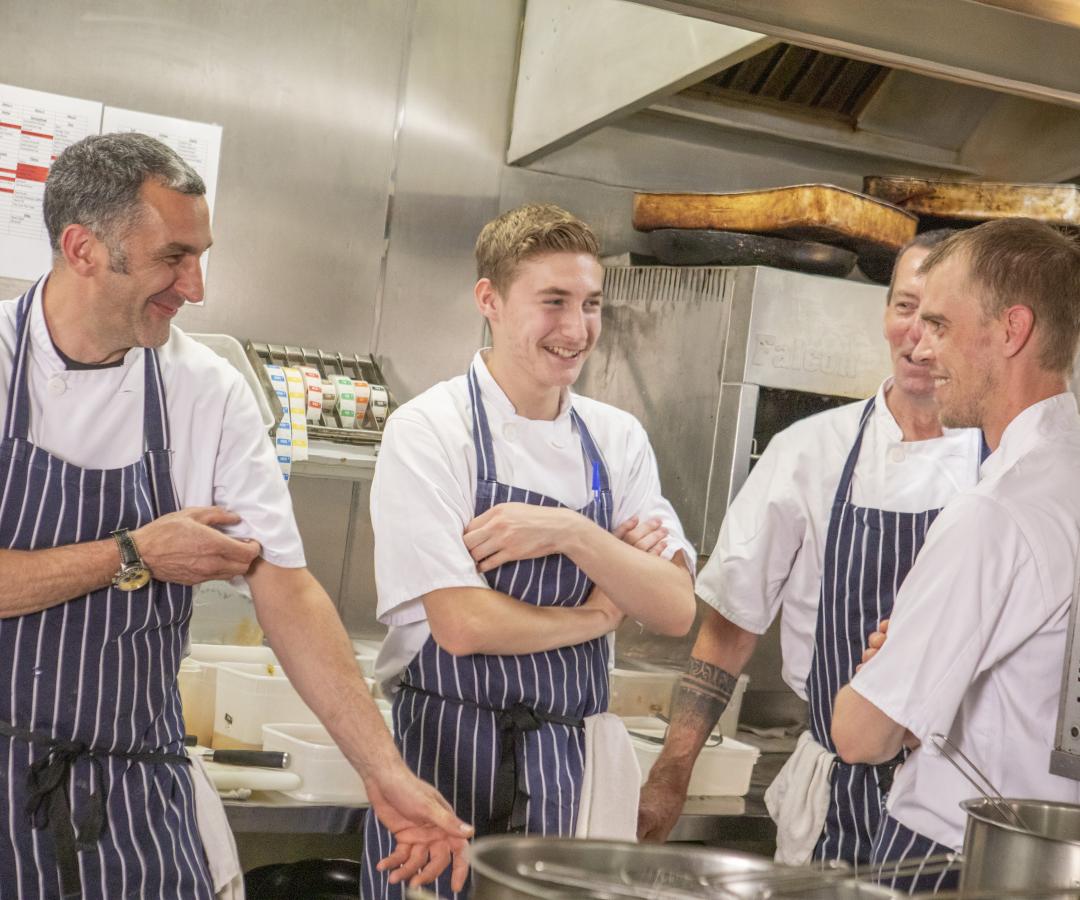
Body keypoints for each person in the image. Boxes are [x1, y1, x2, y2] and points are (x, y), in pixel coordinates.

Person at [0, 132, 471, 900]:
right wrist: (133, 553)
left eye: (201, 255)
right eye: (172, 258)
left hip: (131, 791)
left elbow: (284, 588)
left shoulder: (204, 390)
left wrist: (383, 772)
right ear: (82, 248)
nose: (197, 287)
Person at [362, 203, 697, 898]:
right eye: (553, 302)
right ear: (489, 299)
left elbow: (672, 607)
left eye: (591, 304)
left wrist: (571, 534)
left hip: (563, 768)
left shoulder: (617, 438)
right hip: (442, 761)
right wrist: (600, 612)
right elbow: (463, 626)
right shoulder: (429, 429)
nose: (576, 330)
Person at [637, 231, 985, 869]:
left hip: (963, 801)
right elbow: (730, 626)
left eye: (939, 317)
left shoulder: (1006, 466)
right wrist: (671, 771)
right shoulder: (809, 451)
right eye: (905, 306)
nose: (917, 335)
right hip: (836, 795)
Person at [833, 218, 1080, 894]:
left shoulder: (998, 510)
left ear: (1011, 330)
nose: (920, 345)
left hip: (953, 858)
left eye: (940, 323)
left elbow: (861, 736)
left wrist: (889, 673)